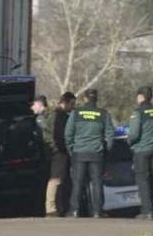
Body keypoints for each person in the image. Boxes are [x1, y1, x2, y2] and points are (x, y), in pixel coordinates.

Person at [64, 88, 114, 218]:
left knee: (77, 183)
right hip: (97, 153)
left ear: (85, 99)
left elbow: (68, 134)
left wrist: (71, 150)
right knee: (97, 183)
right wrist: (106, 149)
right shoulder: (103, 114)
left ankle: (74, 210)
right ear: (96, 99)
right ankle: (97, 211)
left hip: (79, 152)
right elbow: (110, 134)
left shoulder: (76, 113)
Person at [127, 86, 153, 220]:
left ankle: (146, 211)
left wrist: (129, 142)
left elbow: (134, 134)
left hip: (142, 150)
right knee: (152, 179)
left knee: (142, 179)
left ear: (141, 96)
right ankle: (151, 210)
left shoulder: (138, 113)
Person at [45, 92, 77, 217]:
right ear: (66, 103)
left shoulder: (59, 115)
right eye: (72, 104)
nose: (73, 107)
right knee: (55, 179)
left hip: (58, 151)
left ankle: (58, 207)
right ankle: (51, 208)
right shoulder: (60, 116)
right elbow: (59, 136)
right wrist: (65, 149)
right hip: (59, 152)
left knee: (61, 180)